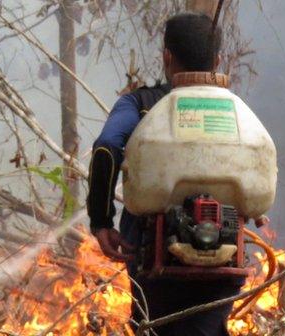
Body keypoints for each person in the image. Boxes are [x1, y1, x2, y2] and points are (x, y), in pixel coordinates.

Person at [86, 12, 241, 336]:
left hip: (153, 254)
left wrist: (101, 221)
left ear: (167, 57)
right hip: (224, 256)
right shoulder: (233, 111)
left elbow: (105, 148)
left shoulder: (140, 104)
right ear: (218, 60)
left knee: (153, 327)